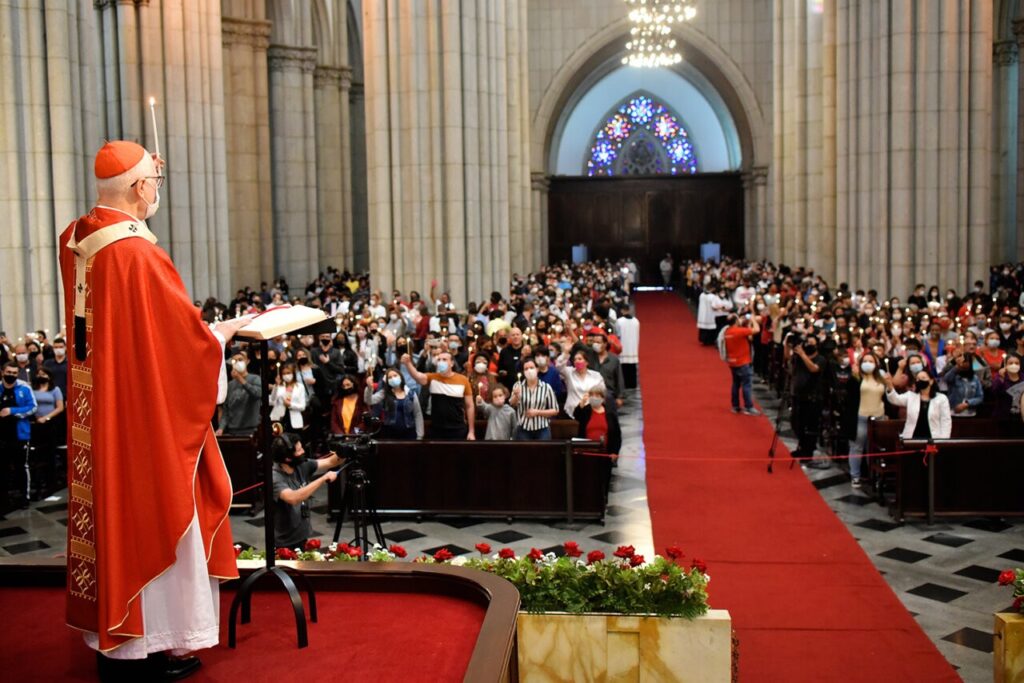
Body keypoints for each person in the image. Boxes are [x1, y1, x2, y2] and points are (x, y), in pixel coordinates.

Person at [58, 141, 242, 679]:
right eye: (154, 183)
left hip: (101, 404)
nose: (156, 190)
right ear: (140, 188)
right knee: (158, 509)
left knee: (111, 509)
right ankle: (146, 646)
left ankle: (113, 643)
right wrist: (219, 335)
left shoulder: (78, 237)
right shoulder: (137, 253)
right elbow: (182, 343)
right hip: (141, 413)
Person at [271, 432, 342, 550]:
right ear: (288, 458)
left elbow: (330, 462)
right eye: (299, 450)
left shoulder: (300, 464)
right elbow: (293, 498)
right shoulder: (275, 476)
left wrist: (344, 451)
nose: (303, 451)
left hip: (302, 536)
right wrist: (323, 479)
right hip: (284, 543)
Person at [402, 350, 476, 440]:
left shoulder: (463, 380)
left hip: (458, 428)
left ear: (452, 363)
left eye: (444, 359)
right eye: (439, 360)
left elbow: (470, 406)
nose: (441, 362)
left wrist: (471, 431)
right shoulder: (433, 377)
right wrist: (408, 364)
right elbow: (417, 376)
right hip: (437, 429)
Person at [1, 362, 36, 511]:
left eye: (14, 373)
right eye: (9, 372)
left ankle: (24, 497)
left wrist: (12, 411)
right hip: (2, 434)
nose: (11, 375)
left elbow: (33, 407)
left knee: (22, 466)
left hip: (19, 434)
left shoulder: (24, 388)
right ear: (2, 372)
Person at [848, 352, 886, 489]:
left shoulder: (881, 378)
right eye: (866, 361)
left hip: (878, 418)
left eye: (871, 361)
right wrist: (854, 375)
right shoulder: (857, 377)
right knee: (857, 447)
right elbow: (850, 394)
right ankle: (855, 476)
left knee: (874, 449)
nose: (868, 363)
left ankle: (873, 476)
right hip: (861, 417)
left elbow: (886, 396)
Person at [884, 370, 952, 440]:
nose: (920, 380)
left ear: (931, 381)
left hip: (933, 438)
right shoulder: (911, 396)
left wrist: (944, 440)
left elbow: (946, 421)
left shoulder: (941, 398)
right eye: (917, 379)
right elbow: (895, 399)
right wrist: (890, 385)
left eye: (923, 378)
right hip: (912, 438)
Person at [29, 369, 64, 498]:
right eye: (39, 374)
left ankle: (51, 483)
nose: (41, 376)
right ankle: (38, 483)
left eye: (44, 374)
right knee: (37, 455)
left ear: (49, 376)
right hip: (35, 424)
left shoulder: (55, 390)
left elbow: (60, 407)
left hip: (49, 424)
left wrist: (47, 417)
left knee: (49, 453)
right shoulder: (33, 389)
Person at [365, 368, 423, 439]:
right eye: (390, 377)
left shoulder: (411, 393)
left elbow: (417, 414)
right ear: (387, 381)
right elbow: (369, 401)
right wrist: (369, 388)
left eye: (395, 375)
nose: (393, 378)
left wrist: (420, 434)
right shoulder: (384, 393)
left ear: (401, 377)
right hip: (390, 432)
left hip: (409, 432)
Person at [509, 358, 559, 440]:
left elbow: (555, 410)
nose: (529, 370)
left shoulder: (546, 387)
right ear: (523, 372)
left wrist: (538, 412)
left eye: (531, 368)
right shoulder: (517, 386)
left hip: (542, 428)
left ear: (537, 369)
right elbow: (512, 404)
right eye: (526, 369)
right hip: (523, 428)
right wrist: (516, 396)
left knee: (542, 452)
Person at [723, 312, 760, 415]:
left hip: (732, 362)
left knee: (736, 384)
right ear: (735, 321)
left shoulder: (727, 331)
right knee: (746, 385)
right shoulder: (739, 331)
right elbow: (757, 330)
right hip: (743, 362)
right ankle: (749, 407)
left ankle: (735, 406)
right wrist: (753, 320)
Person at [216, 353, 261, 437]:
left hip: (251, 430)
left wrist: (240, 379)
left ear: (247, 361)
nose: (237, 362)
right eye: (234, 361)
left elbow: (257, 394)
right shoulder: (230, 385)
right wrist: (221, 428)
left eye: (240, 360)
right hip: (233, 430)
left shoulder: (255, 379)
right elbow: (226, 410)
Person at [558, 350, 606, 418]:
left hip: (591, 410)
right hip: (571, 411)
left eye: (580, 359)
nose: (577, 361)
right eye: (575, 360)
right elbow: (558, 367)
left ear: (586, 362)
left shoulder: (596, 375)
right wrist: (565, 352)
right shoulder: (569, 372)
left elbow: (602, 391)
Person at [575, 386, 621, 456]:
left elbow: (617, 435)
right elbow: (576, 415)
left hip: (606, 453)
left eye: (597, 396)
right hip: (587, 452)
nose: (594, 398)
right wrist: (582, 402)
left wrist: (615, 452)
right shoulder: (586, 411)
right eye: (592, 395)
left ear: (602, 398)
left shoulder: (610, 414)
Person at [270, 361, 307, 433]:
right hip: (279, 418)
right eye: (284, 374)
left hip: (294, 420)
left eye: (288, 373)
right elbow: (272, 400)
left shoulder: (300, 387)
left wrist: (290, 405)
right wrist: (276, 386)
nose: (286, 375)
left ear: (293, 373)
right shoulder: (279, 386)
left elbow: (302, 406)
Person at [614, 306, 640, 389]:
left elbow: (617, 335)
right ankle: (633, 384)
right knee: (632, 369)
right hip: (633, 349)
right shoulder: (636, 321)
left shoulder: (619, 321)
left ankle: (625, 385)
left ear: (622, 310)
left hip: (623, 348)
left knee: (624, 370)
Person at [991, 353, 1024, 419]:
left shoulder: (1023, 377)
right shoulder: (999, 377)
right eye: (1010, 363)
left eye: (1017, 363)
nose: (1014, 365)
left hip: (1020, 416)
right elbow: (994, 392)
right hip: (1003, 416)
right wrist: (1002, 379)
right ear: (1005, 365)